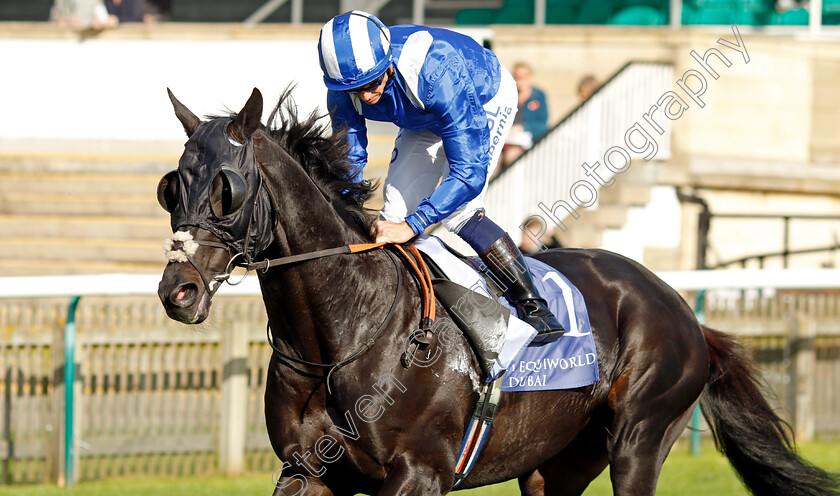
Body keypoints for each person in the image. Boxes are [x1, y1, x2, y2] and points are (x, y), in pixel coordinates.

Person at [318, 11, 564, 339]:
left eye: (372, 83)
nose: (365, 96)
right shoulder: (341, 86)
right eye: (355, 89)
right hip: (422, 113)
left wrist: (413, 225)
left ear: (388, 63)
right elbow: (349, 158)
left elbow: (468, 173)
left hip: (480, 97)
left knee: (460, 213)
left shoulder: (436, 71)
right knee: (392, 214)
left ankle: (533, 306)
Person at [498, 62, 550, 172]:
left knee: (512, 156)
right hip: (504, 140)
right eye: (517, 76)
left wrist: (523, 128)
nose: (520, 80)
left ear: (530, 78)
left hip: (526, 143)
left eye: (523, 76)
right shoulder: (508, 95)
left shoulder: (539, 96)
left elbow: (543, 124)